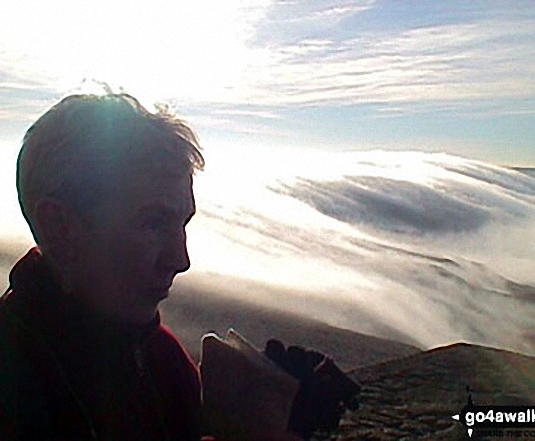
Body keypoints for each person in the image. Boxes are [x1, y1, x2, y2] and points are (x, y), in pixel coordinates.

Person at [0, 92, 359, 440]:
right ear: (60, 227)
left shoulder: (161, 356)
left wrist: (256, 423)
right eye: (153, 223)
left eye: (182, 224)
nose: (180, 260)